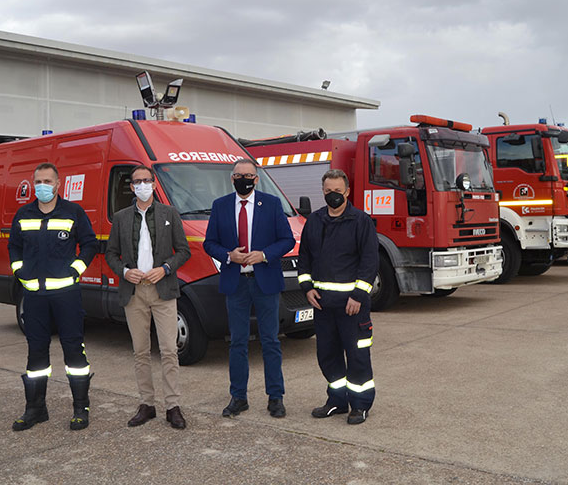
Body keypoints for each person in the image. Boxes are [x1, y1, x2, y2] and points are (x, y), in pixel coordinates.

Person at [8, 162, 99, 431]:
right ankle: (35, 409)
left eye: (48, 181)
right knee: (36, 354)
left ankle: (80, 408)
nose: (42, 186)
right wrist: (19, 270)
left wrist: (75, 271)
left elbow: (90, 244)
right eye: (38, 181)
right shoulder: (23, 214)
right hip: (34, 296)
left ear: (58, 184)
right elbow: (14, 245)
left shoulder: (73, 212)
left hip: (66, 295)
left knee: (74, 351)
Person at [204, 158, 295, 418]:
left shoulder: (272, 204)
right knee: (237, 342)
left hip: (265, 280)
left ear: (256, 179)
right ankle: (238, 397)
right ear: (232, 179)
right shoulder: (220, 206)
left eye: (249, 175)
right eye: (239, 175)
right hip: (236, 283)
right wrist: (228, 255)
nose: (244, 179)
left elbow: (287, 239)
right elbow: (210, 243)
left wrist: (264, 255)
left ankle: (275, 397)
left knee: (270, 341)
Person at [105, 164, 191, 429]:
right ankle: (147, 404)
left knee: (169, 350)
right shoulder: (120, 217)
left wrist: (164, 269)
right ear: (131, 187)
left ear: (154, 184)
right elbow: (110, 253)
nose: (142, 185)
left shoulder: (170, 213)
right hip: (133, 291)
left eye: (146, 180)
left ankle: (173, 405)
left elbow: (183, 250)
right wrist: (124, 271)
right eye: (137, 181)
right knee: (140, 351)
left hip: (162, 290)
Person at [298, 169, 378, 425]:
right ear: (323, 192)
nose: (333, 196)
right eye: (328, 192)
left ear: (347, 192)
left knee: (357, 357)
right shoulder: (315, 221)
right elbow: (305, 258)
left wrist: (357, 295)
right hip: (323, 306)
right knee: (327, 355)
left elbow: (369, 262)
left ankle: (360, 405)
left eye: (338, 192)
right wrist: (307, 287)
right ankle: (337, 401)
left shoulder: (361, 221)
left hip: (352, 307)